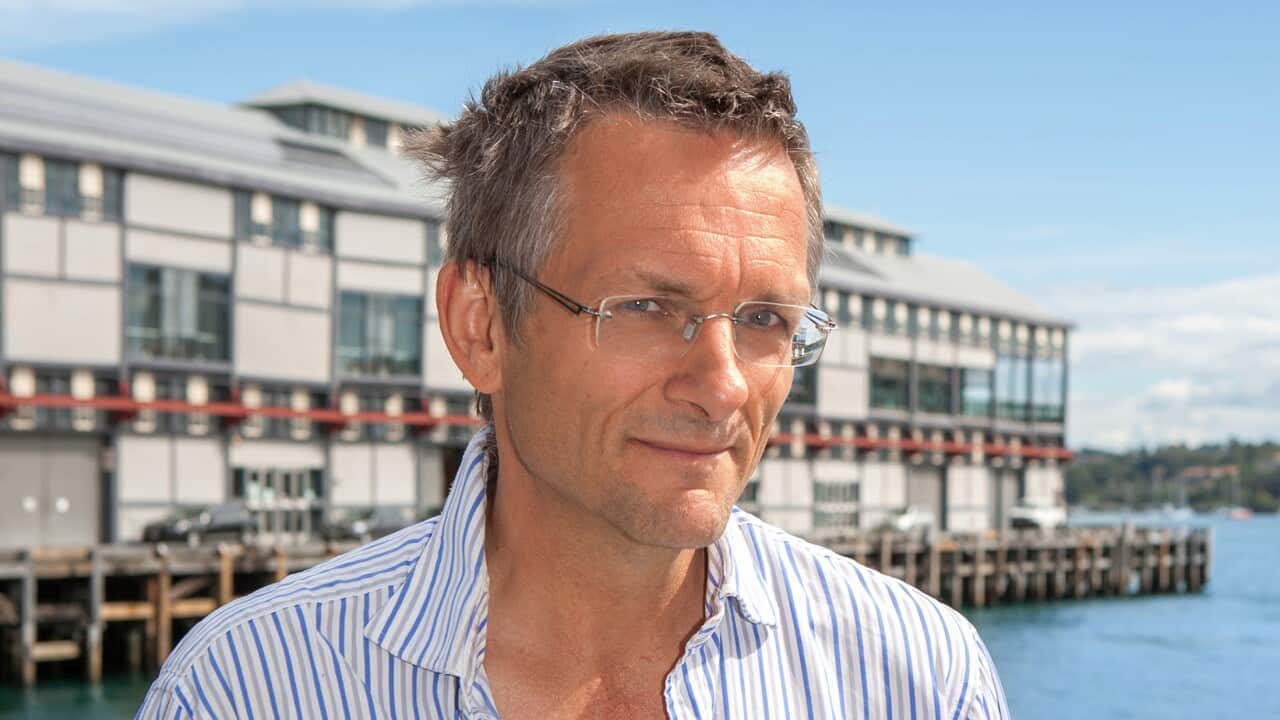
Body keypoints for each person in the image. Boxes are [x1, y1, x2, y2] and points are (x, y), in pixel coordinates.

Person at [138, 31, 1009, 719]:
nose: (724, 385)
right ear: (479, 326)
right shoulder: (249, 691)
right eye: (643, 308)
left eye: (763, 322)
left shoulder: (918, 679)